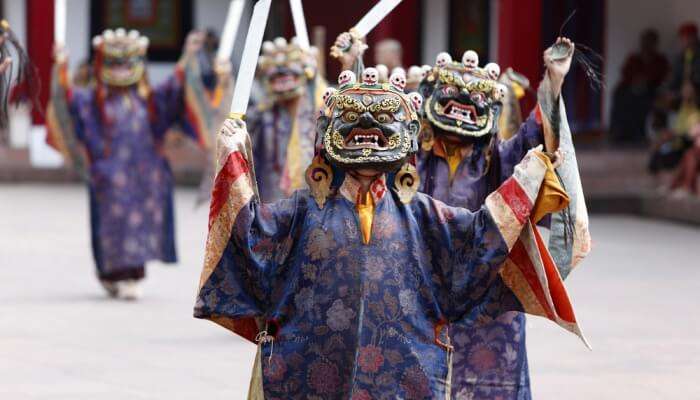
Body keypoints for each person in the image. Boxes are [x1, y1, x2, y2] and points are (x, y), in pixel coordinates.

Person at [194, 42, 587, 396]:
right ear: (327, 133)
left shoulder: (421, 214)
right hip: (312, 367)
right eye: (352, 120)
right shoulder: (301, 211)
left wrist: (528, 176)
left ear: (408, 135)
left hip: (402, 371)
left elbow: (479, 239)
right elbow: (250, 240)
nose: (368, 129)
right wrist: (233, 164)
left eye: (383, 121)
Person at [414, 38, 590, 399]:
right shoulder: (415, 158)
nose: (462, 106)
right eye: (450, 96)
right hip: (425, 283)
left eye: (474, 99)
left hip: (488, 288)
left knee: (493, 378)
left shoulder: (497, 159)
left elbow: (536, 140)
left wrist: (553, 82)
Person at [45, 29, 210, 300]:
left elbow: (174, 88)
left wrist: (188, 56)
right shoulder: (92, 101)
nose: (121, 70)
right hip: (109, 175)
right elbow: (68, 101)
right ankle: (111, 275)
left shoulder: (148, 99)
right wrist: (60, 66)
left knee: (139, 224)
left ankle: (133, 275)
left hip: (146, 174)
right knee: (113, 226)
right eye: (114, 64)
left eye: (127, 64)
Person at [244, 37, 326, 202]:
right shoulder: (264, 112)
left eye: (289, 75)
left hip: (311, 187)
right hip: (273, 190)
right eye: (275, 78)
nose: (281, 80)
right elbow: (240, 135)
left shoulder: (318, 107)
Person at [609, 29, 670, 144]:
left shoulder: (660, 60)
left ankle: (640, 134)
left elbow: (663, 77)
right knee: (620, 95)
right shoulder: (634, 58)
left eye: (650, 42)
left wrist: (647, 81)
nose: (647, 45)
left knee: (644, 102)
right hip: (632, 89)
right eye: (645, 42)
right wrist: (635, 81)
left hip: (650, 90)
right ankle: (619, 133)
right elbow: (625, 73)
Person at [670, 23, 700, 92]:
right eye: (683, 38)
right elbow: (673, 80)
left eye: (689, 37)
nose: (686, 41)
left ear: (695, 37)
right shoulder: (680, 57)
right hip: (682, 95)